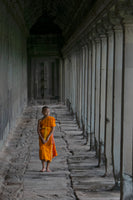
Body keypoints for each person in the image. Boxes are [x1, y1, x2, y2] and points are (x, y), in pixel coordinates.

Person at [37, 106, 57, 172]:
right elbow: (38, 130)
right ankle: (43, 167)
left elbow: (53, 129)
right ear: (42, 112)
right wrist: (42, 138)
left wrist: (48, 137)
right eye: (46, 111)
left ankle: (48, 167)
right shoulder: (40, 120)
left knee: (49, 152)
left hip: (49, 138)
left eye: (48, 111)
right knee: (42, 151)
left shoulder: (52, 119)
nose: (47, 113)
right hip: (42, 137)